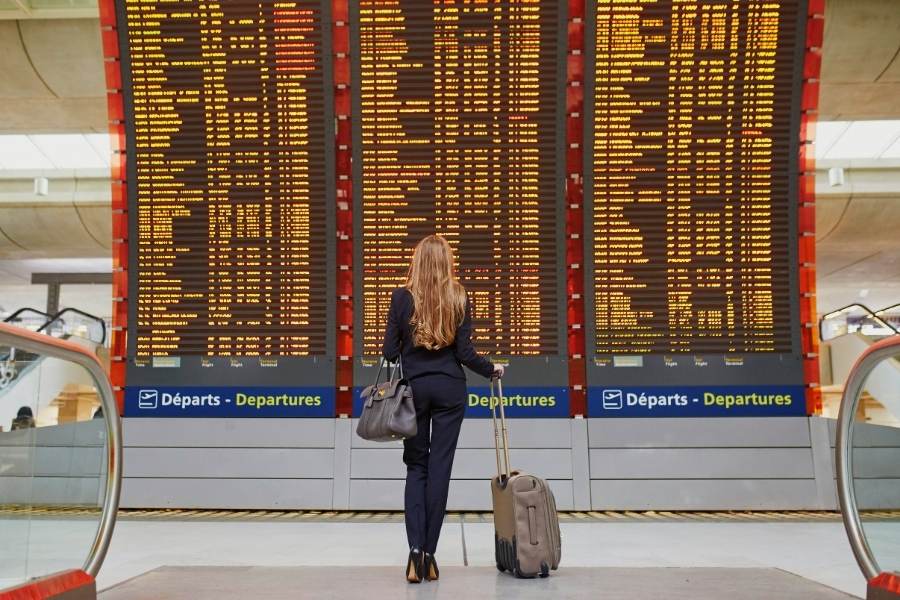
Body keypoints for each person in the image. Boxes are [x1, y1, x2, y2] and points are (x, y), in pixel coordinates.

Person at [381, 234, 505, 583]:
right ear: (447, 261)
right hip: (450, 390)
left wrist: (407, 339)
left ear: (417, 261)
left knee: (416, 467)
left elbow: (390, 352)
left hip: (414, 392)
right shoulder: (459, 295)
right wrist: (491, 368)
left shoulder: (401, 298)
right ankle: (431, 556)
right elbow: (464, 353)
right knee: (440, 469)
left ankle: (415, 553)